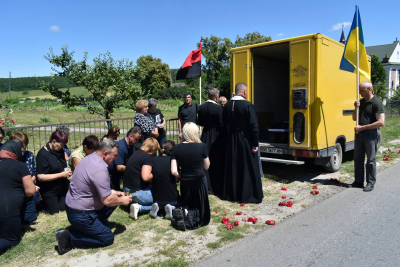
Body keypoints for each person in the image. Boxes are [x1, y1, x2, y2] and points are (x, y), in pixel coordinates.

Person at [55, 139, 132, 255]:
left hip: (74, 208)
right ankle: (69, 237)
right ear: (105, 153)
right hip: (81, 214)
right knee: (107, 238)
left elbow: (95, 187)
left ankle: (94, 226)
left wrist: (114, 192)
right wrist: (123, 200)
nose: (116, 158)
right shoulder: (99, 168)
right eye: (114, 155)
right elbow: (107, 199)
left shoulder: (90, 158)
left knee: (115, 199)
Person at [222, 82, 264, 204]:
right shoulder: (247, 105)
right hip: (245, 139)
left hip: (232, 138)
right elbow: (254, 126)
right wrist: (255, 143)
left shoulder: (228, 105)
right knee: (247, 165)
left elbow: (225, 122)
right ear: (244, 92)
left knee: (233, 165)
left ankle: (233, 193)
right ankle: (247, 194)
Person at [171, 122, 210, 231]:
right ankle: (194, 218)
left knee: (187, 202)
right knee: (199, 203)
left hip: (185, 179)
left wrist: (182, 175)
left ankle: (185, 212)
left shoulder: (177, 148)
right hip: (199, 179)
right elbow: (206, 166)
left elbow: (174, 171)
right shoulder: (201, 146)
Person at [0, 140, 38, 252]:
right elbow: (30, 191)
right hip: (8, 211)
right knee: (11, 239)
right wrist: (33, 188)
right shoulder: (19, 166)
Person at [348, 81, 385, 192]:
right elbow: (354, 118)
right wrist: (356, 108)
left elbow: (381, 122)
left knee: (370, 160)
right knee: (358, 158)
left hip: (371, 135)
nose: (359, 93)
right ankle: (358, 182)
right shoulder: (361, 102)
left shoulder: (376, 102)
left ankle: (370, 183)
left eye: (361, 90)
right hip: (359, 135)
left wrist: (363, 127)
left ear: (369, 89)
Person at [36, 131, 72, 214]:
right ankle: (40, 204)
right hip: (49, 190)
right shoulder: (42, 155)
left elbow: (64, 163)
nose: (62, 147)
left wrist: (67, 170)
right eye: (61, 145)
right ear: (54, 141)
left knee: (64, 209)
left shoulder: (60, 150)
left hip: (61, 188)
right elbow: (41, 177)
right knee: (54, 212)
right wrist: (61, 175)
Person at [124, 138, 159, 220]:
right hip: (137, 193)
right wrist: (156, 176)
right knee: (160, 199)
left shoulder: (136, 153)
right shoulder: (148, 158)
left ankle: (134, 204)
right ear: (154, 149)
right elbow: (146, 177)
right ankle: (140, 208)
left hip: (126, 191)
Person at [197, 88, 224, 196]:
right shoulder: (218, 108)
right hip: (216, 136)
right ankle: (215, 186)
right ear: (217, 97)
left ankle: (206, 185)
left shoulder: (201, 107)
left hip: (205, 134)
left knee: (205, 160)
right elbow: (221, 123)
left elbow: (200, 122)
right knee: (216, 160)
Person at [9, 132, 39, 225]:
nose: (22, 149)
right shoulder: (9, 158)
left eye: (24, 146)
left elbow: (34, 171)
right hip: (15, 192)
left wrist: (33, 178)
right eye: (20, 147)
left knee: (30, 219)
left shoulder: (29, 155)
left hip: (29, 192)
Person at [151, 140, 180, 220]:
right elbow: (177, 180)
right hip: (172, 195)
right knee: (180, 201)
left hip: (157, 194)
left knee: (160, 201)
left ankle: (158, 206)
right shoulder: (173, 161)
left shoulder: (155, 159)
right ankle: (170, 207)